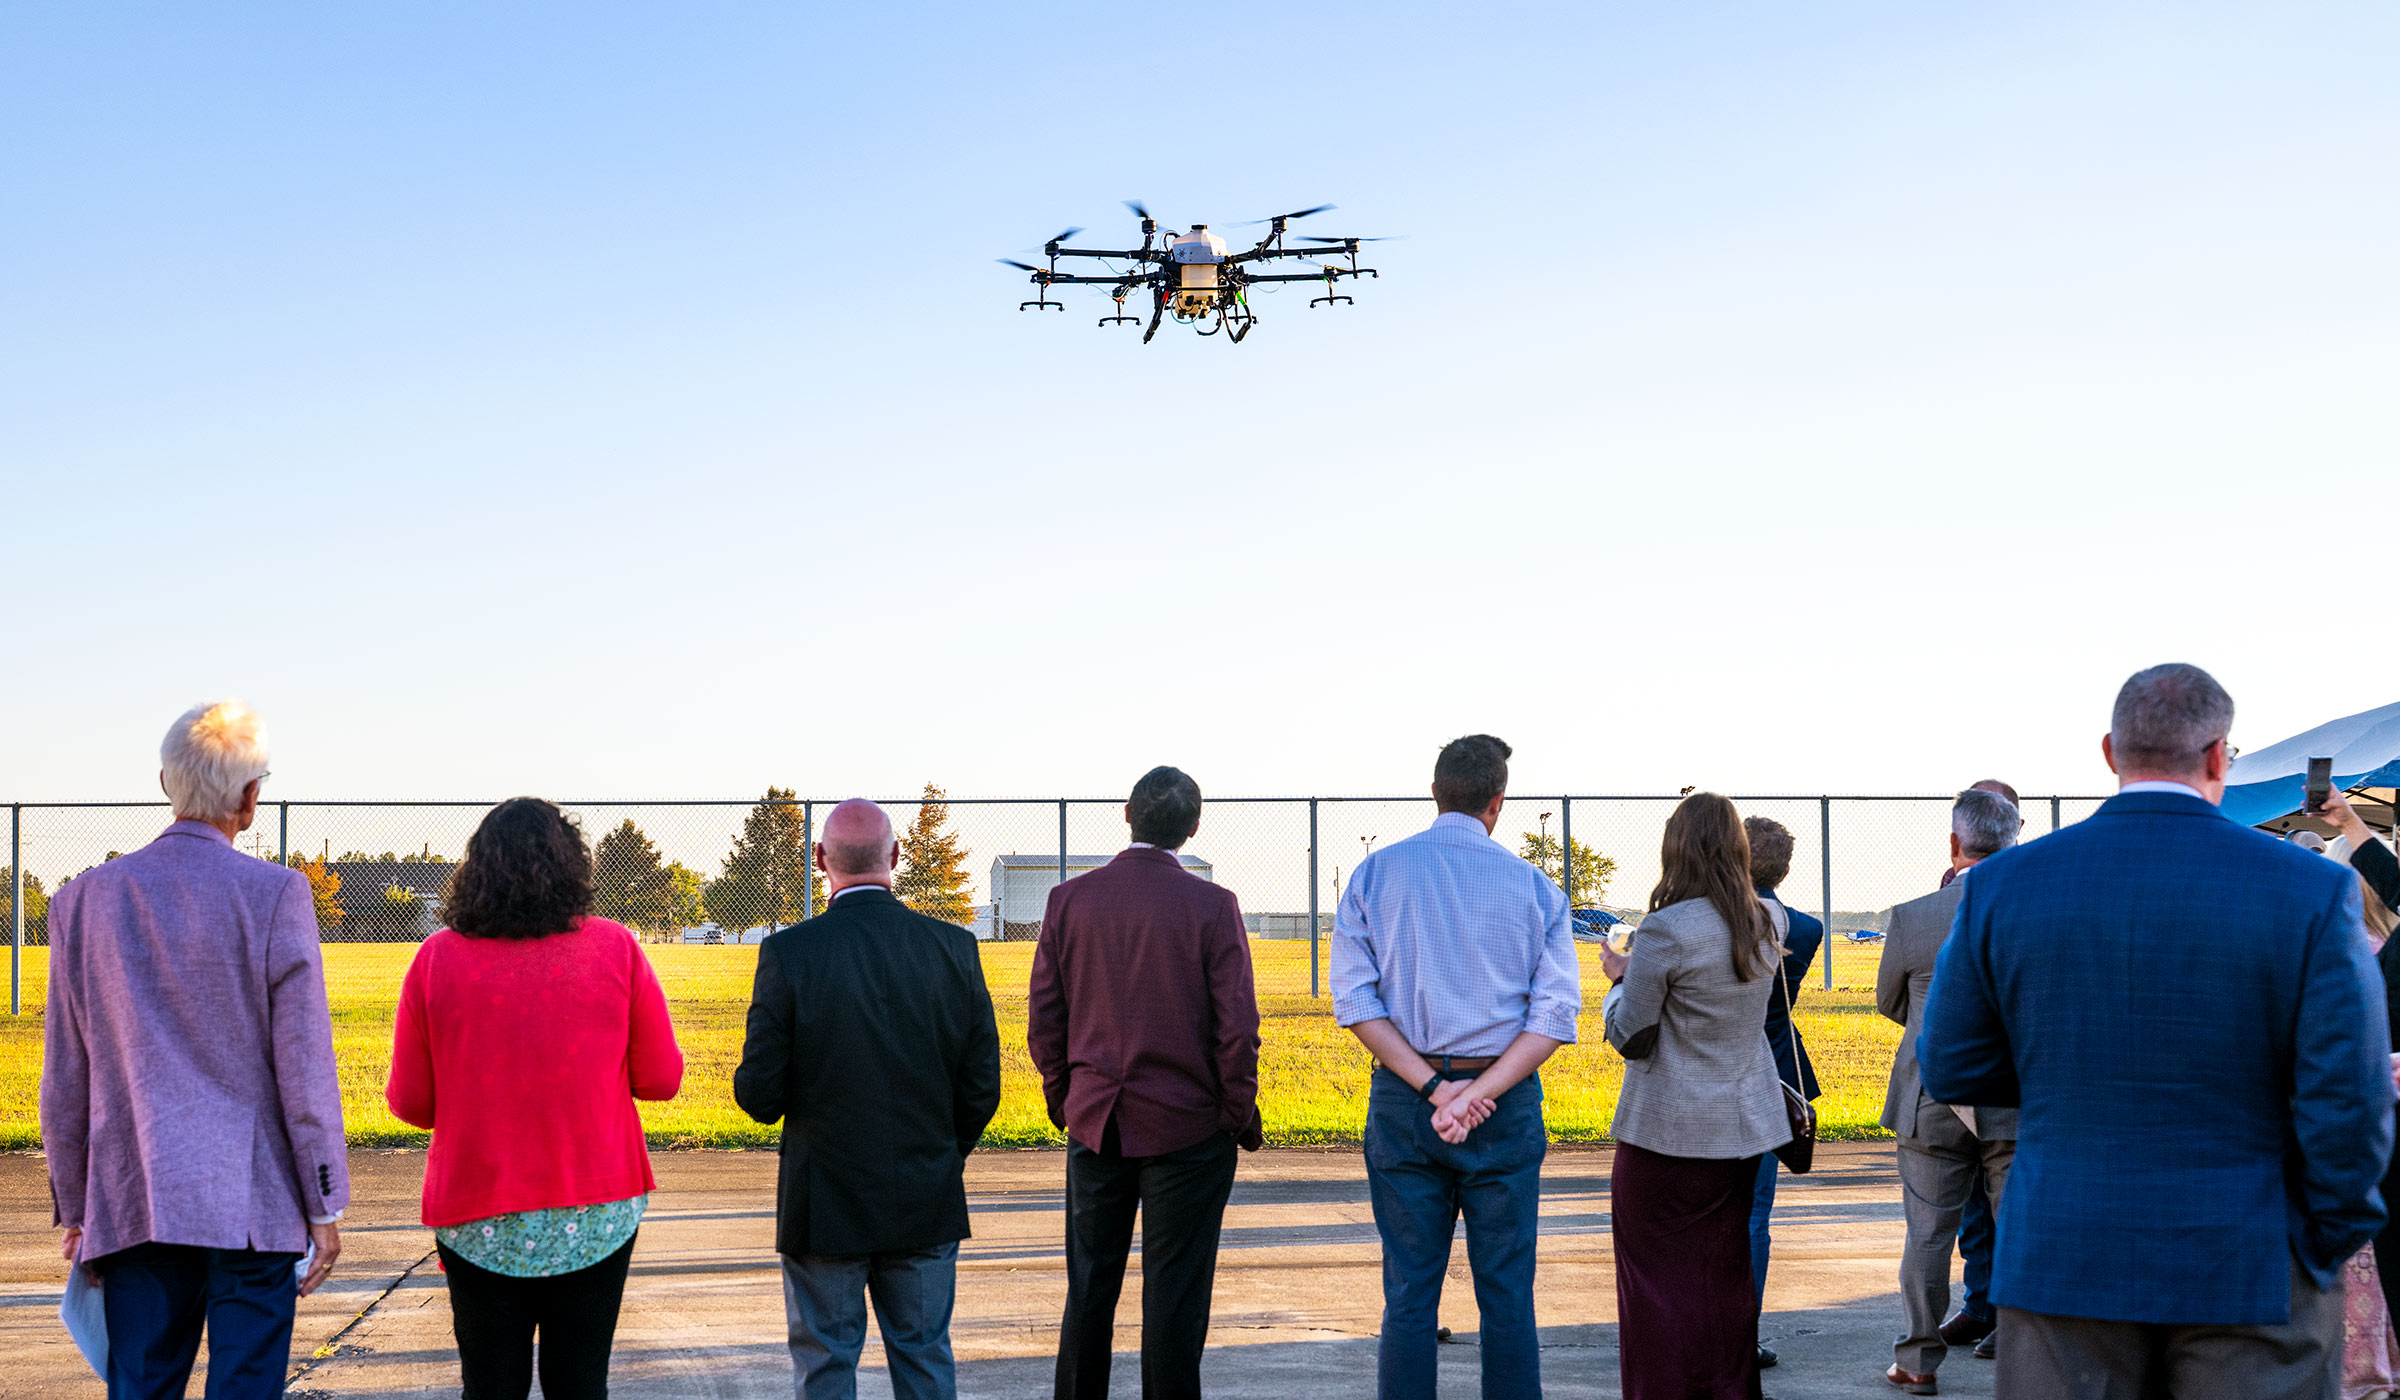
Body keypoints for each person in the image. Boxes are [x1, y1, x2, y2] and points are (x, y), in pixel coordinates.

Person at [1919, 663, 2393, 1398]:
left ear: (2111, 752)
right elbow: (2350, 1095)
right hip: (2254, 1258)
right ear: (2217, 757)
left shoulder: (2001, 887)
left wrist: (2065, 1079)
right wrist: (2322, 1241)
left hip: (2063, 1255)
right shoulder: (2309, 887)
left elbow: (1950, 1064)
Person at [40, 700, 348, 1400]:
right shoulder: (276, 895)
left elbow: (67, 1071)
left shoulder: (82, 902)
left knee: (142, 1384)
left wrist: (80, 1207)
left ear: (164, 784)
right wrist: (324, 1205)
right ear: (249, 797)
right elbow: (303, 1067)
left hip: (134, 1193)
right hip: (254, 1200)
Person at [385, 797, 685, 1400]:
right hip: (595, 1206)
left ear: (477, 870)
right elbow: (661, 1079)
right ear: (573, 867)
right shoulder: (618, 949)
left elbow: (412, 1103)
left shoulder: (436, 958)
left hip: (477, 1211)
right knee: (580, 1382)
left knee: (490, 1385)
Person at [1332, 734, 1579, 1400]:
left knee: (1410, 1293)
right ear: (1497, 803)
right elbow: (1554, 1016)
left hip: (1407, 1103)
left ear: (1436, 792)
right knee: (1506, 1293)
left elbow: (1357, 1002)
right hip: (1505, 1102)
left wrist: (1439, 1090)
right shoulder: (1534, 888)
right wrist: (1481, 1093)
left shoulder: (1375, 875)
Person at [735, 799, 1003, 1400]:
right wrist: (942, 1151)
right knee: (924, 1357)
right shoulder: (953, 949)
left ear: (820, 859)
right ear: (896, 857)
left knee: (826, 1363)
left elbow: (760, 1095)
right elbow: (982, 1083)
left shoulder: (790, 954)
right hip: (924, 1189)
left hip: (823, 1198)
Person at [1028, 765, 1263, 1400]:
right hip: (1188, 1128)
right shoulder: (1213, 906)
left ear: (1127, 815)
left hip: (1098, 1120)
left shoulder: (1070, 900)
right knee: (1175, 1298)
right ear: (1192, 829)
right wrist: (1235, 1113)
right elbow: (1236, 1027)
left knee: (1090, 1290)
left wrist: (1066, 1102)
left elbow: (1045, 1018)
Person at [1600, 792, 1790, 1400]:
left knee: (1654, 1286)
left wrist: (1618, 979)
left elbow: (1631, 1032)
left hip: (1666, 1134)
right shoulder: (1770, 922)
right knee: (1721, 1277)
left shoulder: (1665, 929)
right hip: (1740, 1130)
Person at [1874, 787, 2021, 1394]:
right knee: (2018, 1228)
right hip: (2014, 1095)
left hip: (1931, 1089)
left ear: (1955, 844)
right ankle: (2022, 1349)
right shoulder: (2036, 909)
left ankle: (1917, 1360)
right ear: (2015, 839)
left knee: (1928, 1234)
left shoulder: (1914, 915)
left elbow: (1889, 1002)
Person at [1932, 777, 2023, 1356]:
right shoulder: (1945, 892)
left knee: (2009, 1204)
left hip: (2013, 1078)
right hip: (1963, 1076)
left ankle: (2009, 1319)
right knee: (1974, 1206)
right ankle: (1979, 1302)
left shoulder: (2034, 887)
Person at [1741, 814, 1824, 1372]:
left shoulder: (1712, 922)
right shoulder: (1806, 928)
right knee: (1754, 1214)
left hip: (1721, 1073)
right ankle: (1743, 1332)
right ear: (1787, 869)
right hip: (1775, 1070)